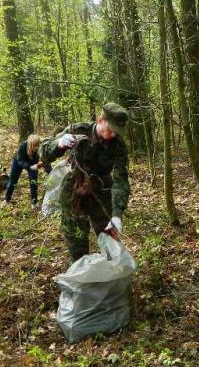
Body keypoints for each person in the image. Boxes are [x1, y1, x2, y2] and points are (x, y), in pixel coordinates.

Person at [40, 103, 131, 261]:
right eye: (110, 130)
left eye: (117, 132)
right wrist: (59, 144)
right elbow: (44, 150)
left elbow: (120, 180)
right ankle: (82, 272)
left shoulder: (118, 145)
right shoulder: (78, 130)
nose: (112, 135)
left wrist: (117, 215)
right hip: (73, 192)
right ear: (100, 120)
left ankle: (110, 274)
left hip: (101, 191)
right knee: (77, 244)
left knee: (110, 239)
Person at [2, 134, 44, 209]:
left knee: (34, 182)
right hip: (18, 162)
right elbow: (20, 161)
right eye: (35, 145)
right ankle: (6, 199)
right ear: (30, 144)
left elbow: (44, 161)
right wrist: (29, 167)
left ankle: (34, 202)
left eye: (38, 145)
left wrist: (49, 170)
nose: (37, 147)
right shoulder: (23, 146)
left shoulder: (40, 149)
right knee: (12, 181)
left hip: (32, 164)